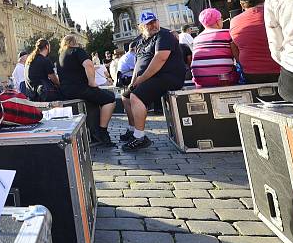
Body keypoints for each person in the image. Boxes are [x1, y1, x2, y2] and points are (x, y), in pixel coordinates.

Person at [120, 12, 186, 151]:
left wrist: (141, 79)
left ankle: (140, 137)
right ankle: (133, 130)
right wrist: (133, 82)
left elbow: (160, 59)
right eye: (149, 23)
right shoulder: (141, 40)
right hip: (152, 77)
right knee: (125, 97)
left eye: (154, 21)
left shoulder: (164, 35)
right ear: (141, 27)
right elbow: (138, 63)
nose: (153, 25)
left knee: (135, 96)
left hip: (168, 76)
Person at [57, 35, 116, 146]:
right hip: (80, 89)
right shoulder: (77, 51)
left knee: (94, 100)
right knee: (110, 99)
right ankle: (102, 133)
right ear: (75, 42)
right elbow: (89, 65)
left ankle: (95, 134)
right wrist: (92, 83)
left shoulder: (60, 55)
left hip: (66, 91)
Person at [229, 0, 280, 84]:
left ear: (242, 4)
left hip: (251, 74)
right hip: (281, 70)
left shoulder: (234, 21)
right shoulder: (276, 14)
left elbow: (233, 46)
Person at [190, 8, 239, 88]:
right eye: (221, 19)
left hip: (200, 80)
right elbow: (237, 56)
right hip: (224, 80)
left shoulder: (196, 39)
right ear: (217, 21)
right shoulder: (227, 33)